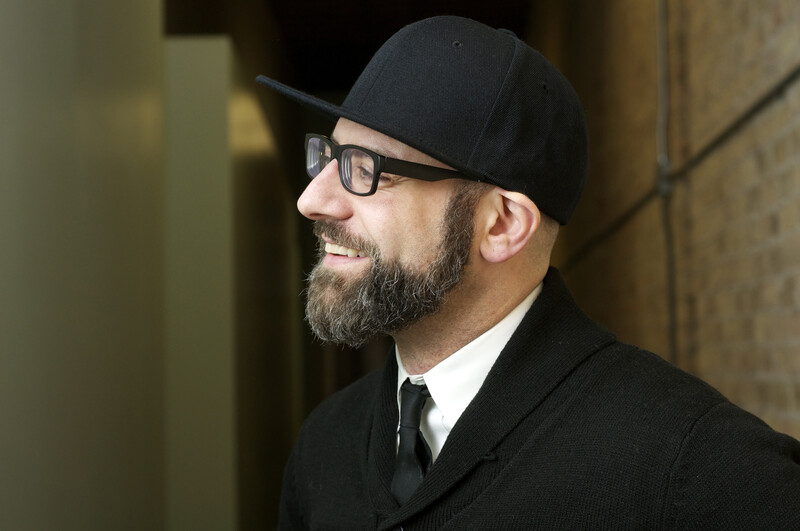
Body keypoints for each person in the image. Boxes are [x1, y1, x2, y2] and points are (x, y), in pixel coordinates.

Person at [257, 15, 800, 530]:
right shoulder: (323, 446)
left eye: (364, 170)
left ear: (503, 225)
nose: (311, 199)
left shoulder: (691, 464)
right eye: (326, 156)